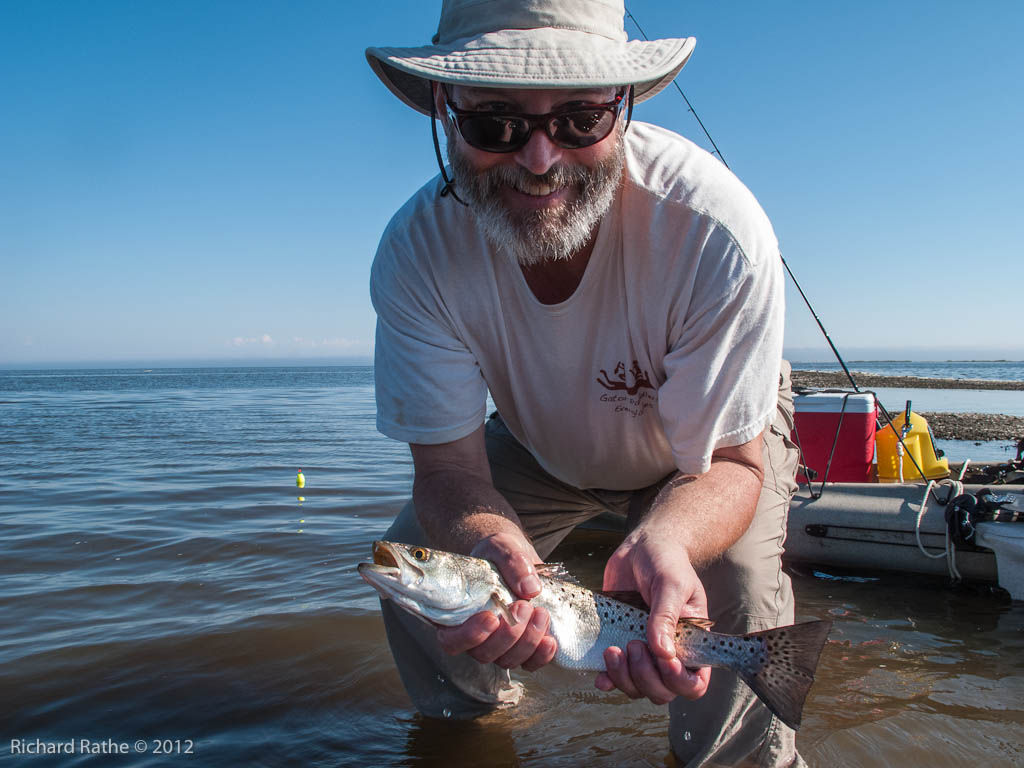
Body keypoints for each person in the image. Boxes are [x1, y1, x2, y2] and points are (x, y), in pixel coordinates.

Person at [365, 1, 802, 765]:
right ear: (445, 110)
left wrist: (667, 537)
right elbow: (446, 471)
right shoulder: (416, 253)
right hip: (540, 441)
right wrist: (494, 541)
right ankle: (474, 735)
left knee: (732, 579)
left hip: (706, 451)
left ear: (622, 107)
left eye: (579, 119)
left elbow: (735, 462)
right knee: (414, 562)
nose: (540, 160)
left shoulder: (716, 230)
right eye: (495, 123)